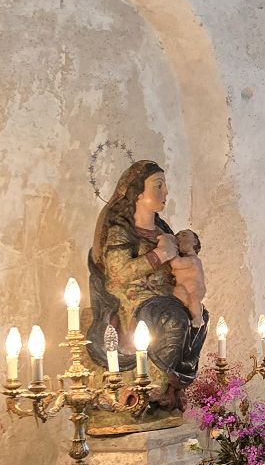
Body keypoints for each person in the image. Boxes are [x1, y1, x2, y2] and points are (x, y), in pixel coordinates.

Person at [86, 160, 206, 415]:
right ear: (137, 192)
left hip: (167, 298)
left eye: (165, 186)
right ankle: (153, 388)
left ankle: (167, 386)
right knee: (174, 317)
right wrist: (158, 255)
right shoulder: (121, 231)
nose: (165, 192)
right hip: (134, 302)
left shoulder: (164, 229)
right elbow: (116, 276)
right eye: (158, 186)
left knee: (199, 318)